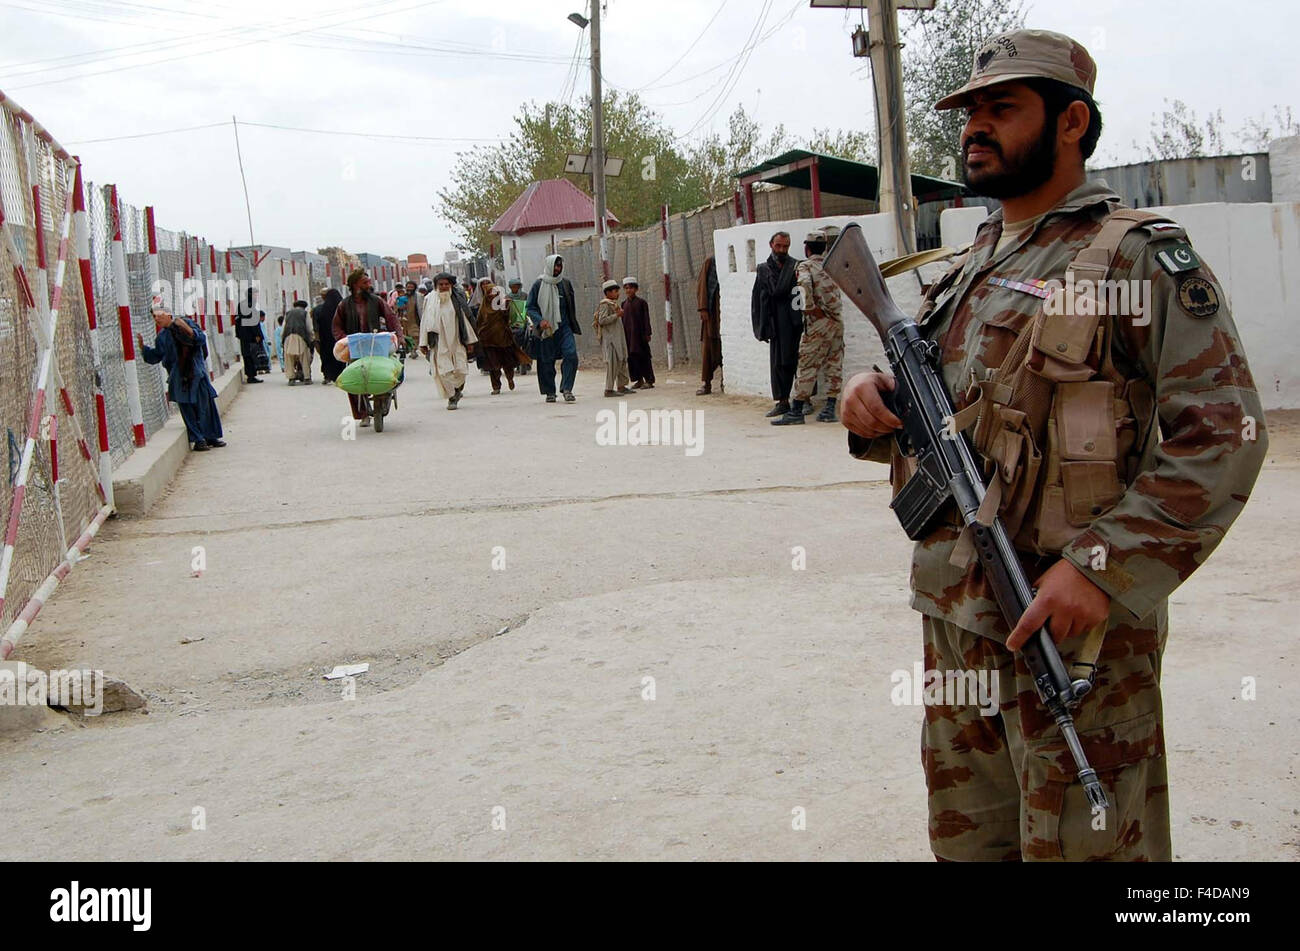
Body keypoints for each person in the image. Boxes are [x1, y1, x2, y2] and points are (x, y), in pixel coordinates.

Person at [839, 28, 1268, 862]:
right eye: (970, 112)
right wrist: (869, 403)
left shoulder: (1137, 258)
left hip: (1075, 638)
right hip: (958, 626)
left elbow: (1223, 433)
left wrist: (1103, 566)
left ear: (1072, 124)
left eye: (1003, 108)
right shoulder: (969, 262)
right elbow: (949, 413)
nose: (975, 127)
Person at [772, 227, 844, 425]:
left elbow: (803, 288)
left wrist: (811, 309)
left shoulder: (805, 267)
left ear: (807, 249)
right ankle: (830, 408)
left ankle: (796, 411)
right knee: (834, 364)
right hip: (837, 322)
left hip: (819, 324)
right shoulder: (833, 265)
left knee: (806, 366)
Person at [138, 298, 225, 451]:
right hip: (179, 378)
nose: (157, 319)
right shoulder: (162, 338)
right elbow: (156, 356)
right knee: (187, 409)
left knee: (205, 405)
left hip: (197, 373)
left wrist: (187, 329)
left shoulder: (186, 323)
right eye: (154, 316)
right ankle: (198, 439)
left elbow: (200, 339)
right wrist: (143, 348)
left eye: (159, 314)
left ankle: (211, 436)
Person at [332, 268, 402, 426]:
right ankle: (363, 413)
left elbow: (391, 318)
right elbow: (336, 327)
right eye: (365, 282)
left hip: (376, 345)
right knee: (353, 377)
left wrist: (399, 336)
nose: (369, 285)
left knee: (382, 373)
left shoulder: (376, 301)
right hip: (355, 348)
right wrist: (344, 340)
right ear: (355, 285)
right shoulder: (344, 305)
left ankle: (382, 400)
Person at [751, 231, 802, 417]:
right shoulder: (764, 269)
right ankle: (783, 401)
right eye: (779, 246)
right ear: (771, 245)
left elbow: (801, 292)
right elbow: (759, 299)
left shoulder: (795, 266)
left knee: (800, 360)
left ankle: (804, 399)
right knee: (779, 363)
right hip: (777, 323)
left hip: (795, 321)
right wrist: (762, 325)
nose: (782, 249)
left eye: (786, 246)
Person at [524, 254, 581, 403]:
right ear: (549, 265)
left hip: (564, 327)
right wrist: (540, 320)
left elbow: (570, 306)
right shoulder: (538, 284)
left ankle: (567, 388)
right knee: (546, 361)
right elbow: (530, 307)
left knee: (571, 355)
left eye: (560, 266)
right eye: (555, 265)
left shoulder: (565, 284)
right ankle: (550, 392)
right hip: (546, 330)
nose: (557, 269)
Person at [419, 272, 478, 410]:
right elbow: (425, 321)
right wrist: (423, 343)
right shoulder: (429, 299)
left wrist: (469, 341)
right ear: (436, 286)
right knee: (444, 371)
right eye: (441, 284)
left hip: (457, 340)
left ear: (451, 285)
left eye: (446, 284)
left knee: (461, 371)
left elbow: (465, 320)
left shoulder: (457, 299)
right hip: (439, 342)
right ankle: (452, 397)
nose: (444, 287)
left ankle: (457, 390)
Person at [474, 277, 527, 394]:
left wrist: (508, 306)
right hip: (488, 341)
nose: (492, 296)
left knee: (508, 363)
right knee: (493, 365)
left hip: (503, 339)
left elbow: (512, 317)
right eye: (490, 293)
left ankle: (510, 378)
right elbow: (478, 323)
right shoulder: (482, 309)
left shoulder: (503, 304)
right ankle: (496, 387)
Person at [593, 279, 633, 397]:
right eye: (615, 291)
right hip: (610, 340)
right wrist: (617, 315)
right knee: (612, 364)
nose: (617, 293)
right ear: (608, 293)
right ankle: (609, 389)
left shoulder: (613, 304)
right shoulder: (605, 304)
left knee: (621, 361)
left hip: (618, 338)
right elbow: (602, 320)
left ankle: (621, 386)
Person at [620, 277, 655, 389]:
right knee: (632, 358)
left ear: (636, 289)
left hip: (640, 336)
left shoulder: (641, 303)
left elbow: (646, 319)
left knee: (644, 357)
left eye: (631, 288)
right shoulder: (623, 304)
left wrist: (647, 333)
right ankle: (638, 379)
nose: (628, 290)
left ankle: (649, 380)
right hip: (629, 337)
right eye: (626, 288)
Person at [696, 255, 722, 395]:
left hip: (725, 312)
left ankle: (725, 379)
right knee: (708, 349)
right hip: (711, 314)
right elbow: (702, 286)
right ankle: (707, 383)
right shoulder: (711, 261)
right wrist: (703, 308)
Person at [313, 288, 345, 383]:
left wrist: (317, 339)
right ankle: (342, 375)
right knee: (341, 356)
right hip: (340, 338)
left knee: (327, 356)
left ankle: (327, 375)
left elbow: (316, 326)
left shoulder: (320, 309)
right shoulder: (343, 307)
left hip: (325, 339)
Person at [282, 299, 315, 384]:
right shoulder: (305, 313)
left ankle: (291, 379)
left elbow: (283, 328)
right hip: (301, 337)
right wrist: (311, 339)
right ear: (304, 307)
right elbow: (309, 328)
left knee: (289, 359)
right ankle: (307, 378)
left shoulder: (288, 313)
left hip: (288, 337)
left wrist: (282, 341)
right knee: (304, 358)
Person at [235, 289, 264, 383]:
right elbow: (253, 321)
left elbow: (238, 320)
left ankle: (250, 375)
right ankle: (251, 376)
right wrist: (258, 334)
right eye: (255, 294)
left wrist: (238, 334)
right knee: (252, 355)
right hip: (250, 336)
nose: (257, 296)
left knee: (247, 355)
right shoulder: (250, 305)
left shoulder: (241, 304)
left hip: (243, 335)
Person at [507, 278, 531, 375]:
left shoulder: (524, 296)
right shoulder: (507, 297)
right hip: (511, 322)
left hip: (523, 321)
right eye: (513, 287)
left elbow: (529, 307)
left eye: (516, 286)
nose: (515, 288)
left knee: (529, 338)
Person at [400, 279, 421, 354]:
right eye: (408, 287)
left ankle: (413, 350)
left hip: (415, 319)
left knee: (415, 335)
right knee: (406, 336)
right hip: (405, 321)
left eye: (411, 287)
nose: (409, 289)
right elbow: (398, 309)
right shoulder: (402, 297)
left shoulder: (418, 297)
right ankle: (409, 348)